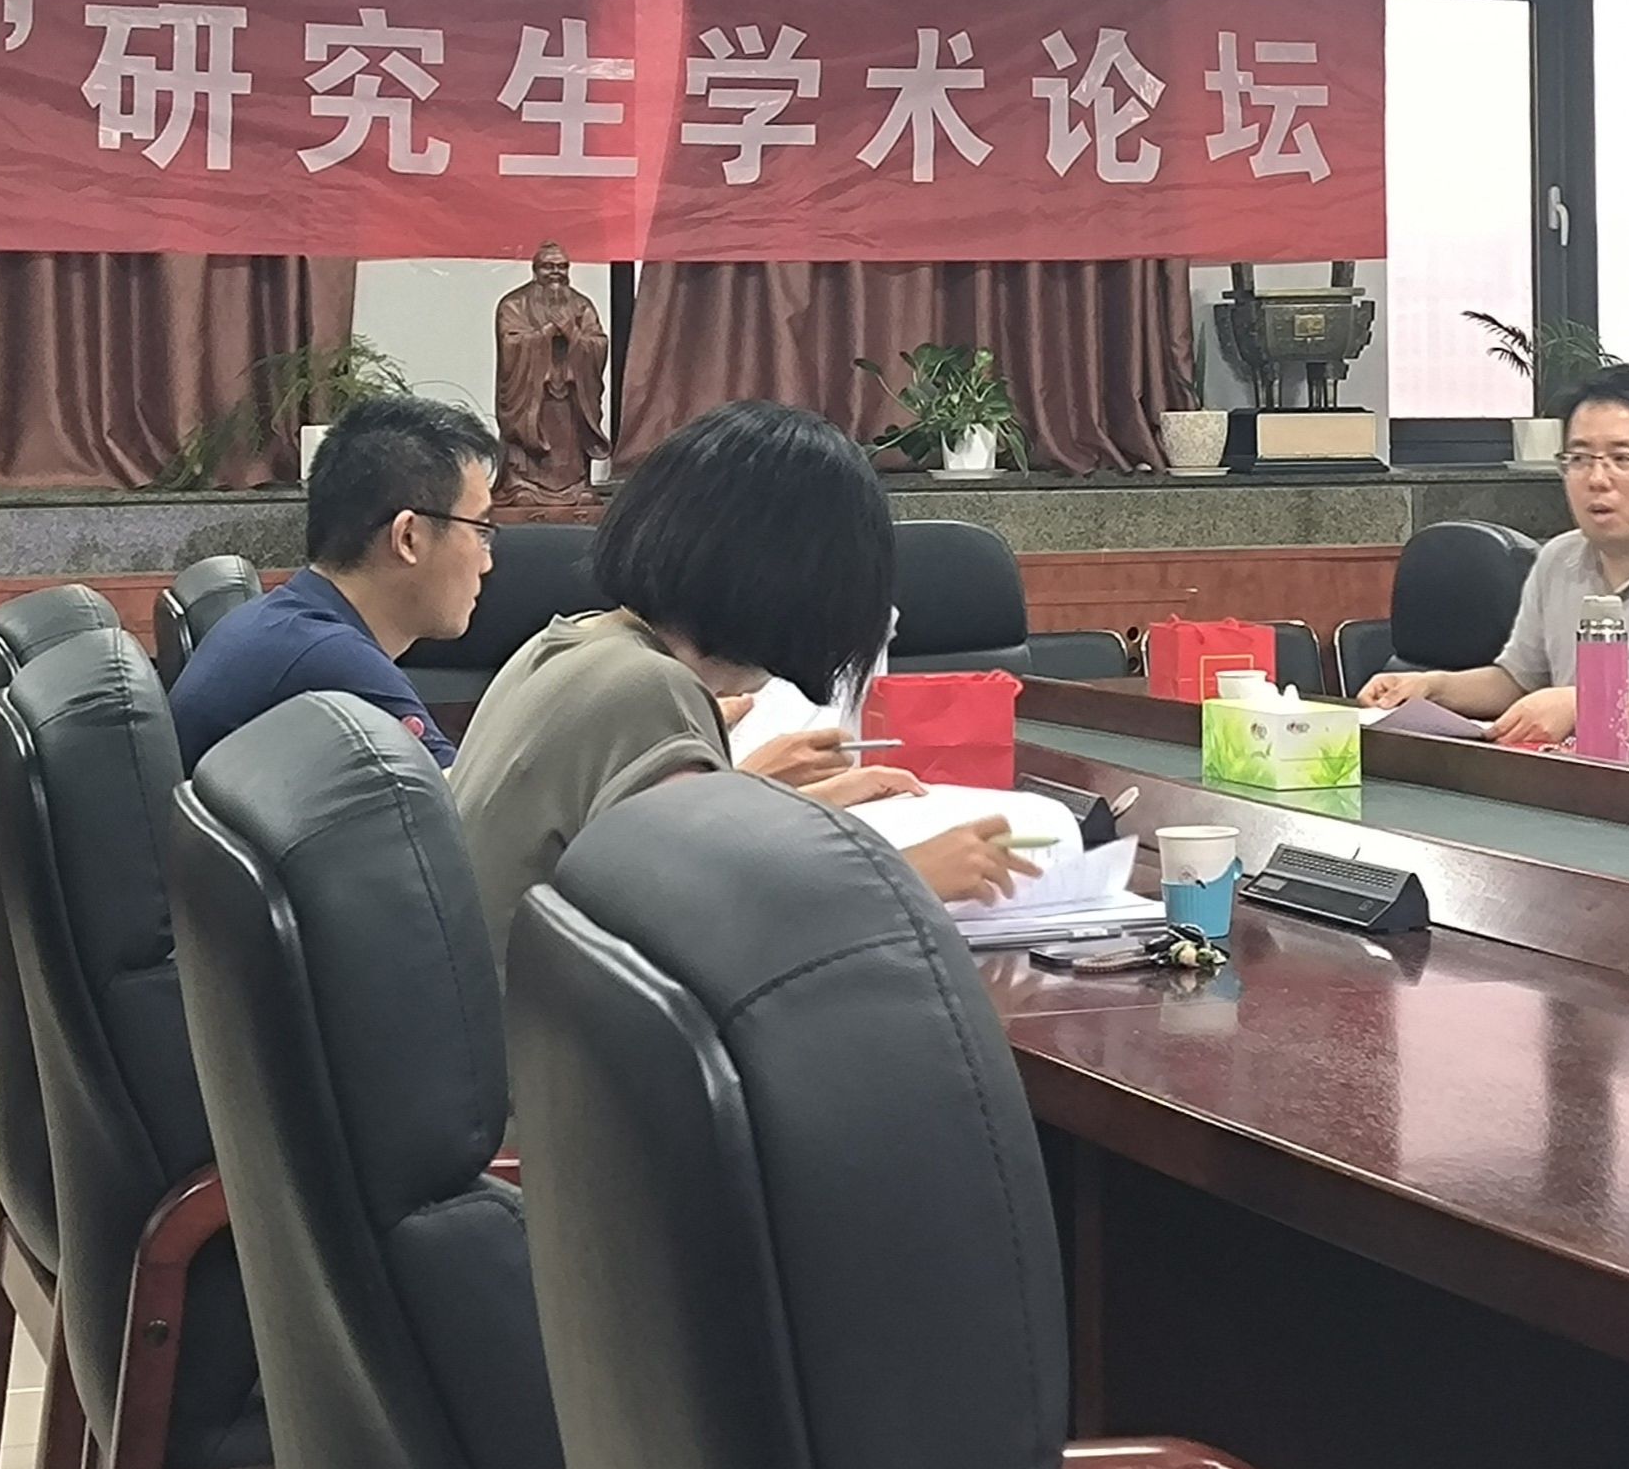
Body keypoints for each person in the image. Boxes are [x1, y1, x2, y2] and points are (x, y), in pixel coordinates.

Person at [448, 398, 1027, 972]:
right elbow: (713, 942)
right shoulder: (648, 688)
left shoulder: (569, 643)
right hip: (546, 1029)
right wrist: (908, 879)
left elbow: (639, 852)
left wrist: (753, 796)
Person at [1356, 364, 1629, 743]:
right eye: (1579, 459)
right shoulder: (1559, 559)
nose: (1597, 479)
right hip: (1588, 779)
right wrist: (1433, 688)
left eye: (1623, 459)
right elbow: (1519, 681)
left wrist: (1584, 705)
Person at [169, 395, 495, 770]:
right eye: (481, 531)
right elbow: (466, 802)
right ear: (408, 538)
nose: (487, 563)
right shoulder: (334, 663)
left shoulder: (291, 624)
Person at [493, 240, 609, 503]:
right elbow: (510, 343)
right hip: (533, 396)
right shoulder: (513, 304)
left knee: (571, 440)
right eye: (548, 266)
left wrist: (571, 333)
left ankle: (576, 486)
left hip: (571, 395)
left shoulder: (581, 305)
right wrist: (546, 333)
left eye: (562, 266)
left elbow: (598, 343)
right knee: (527, 445)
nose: (556, 272)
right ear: (535, 270)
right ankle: (522, 485)